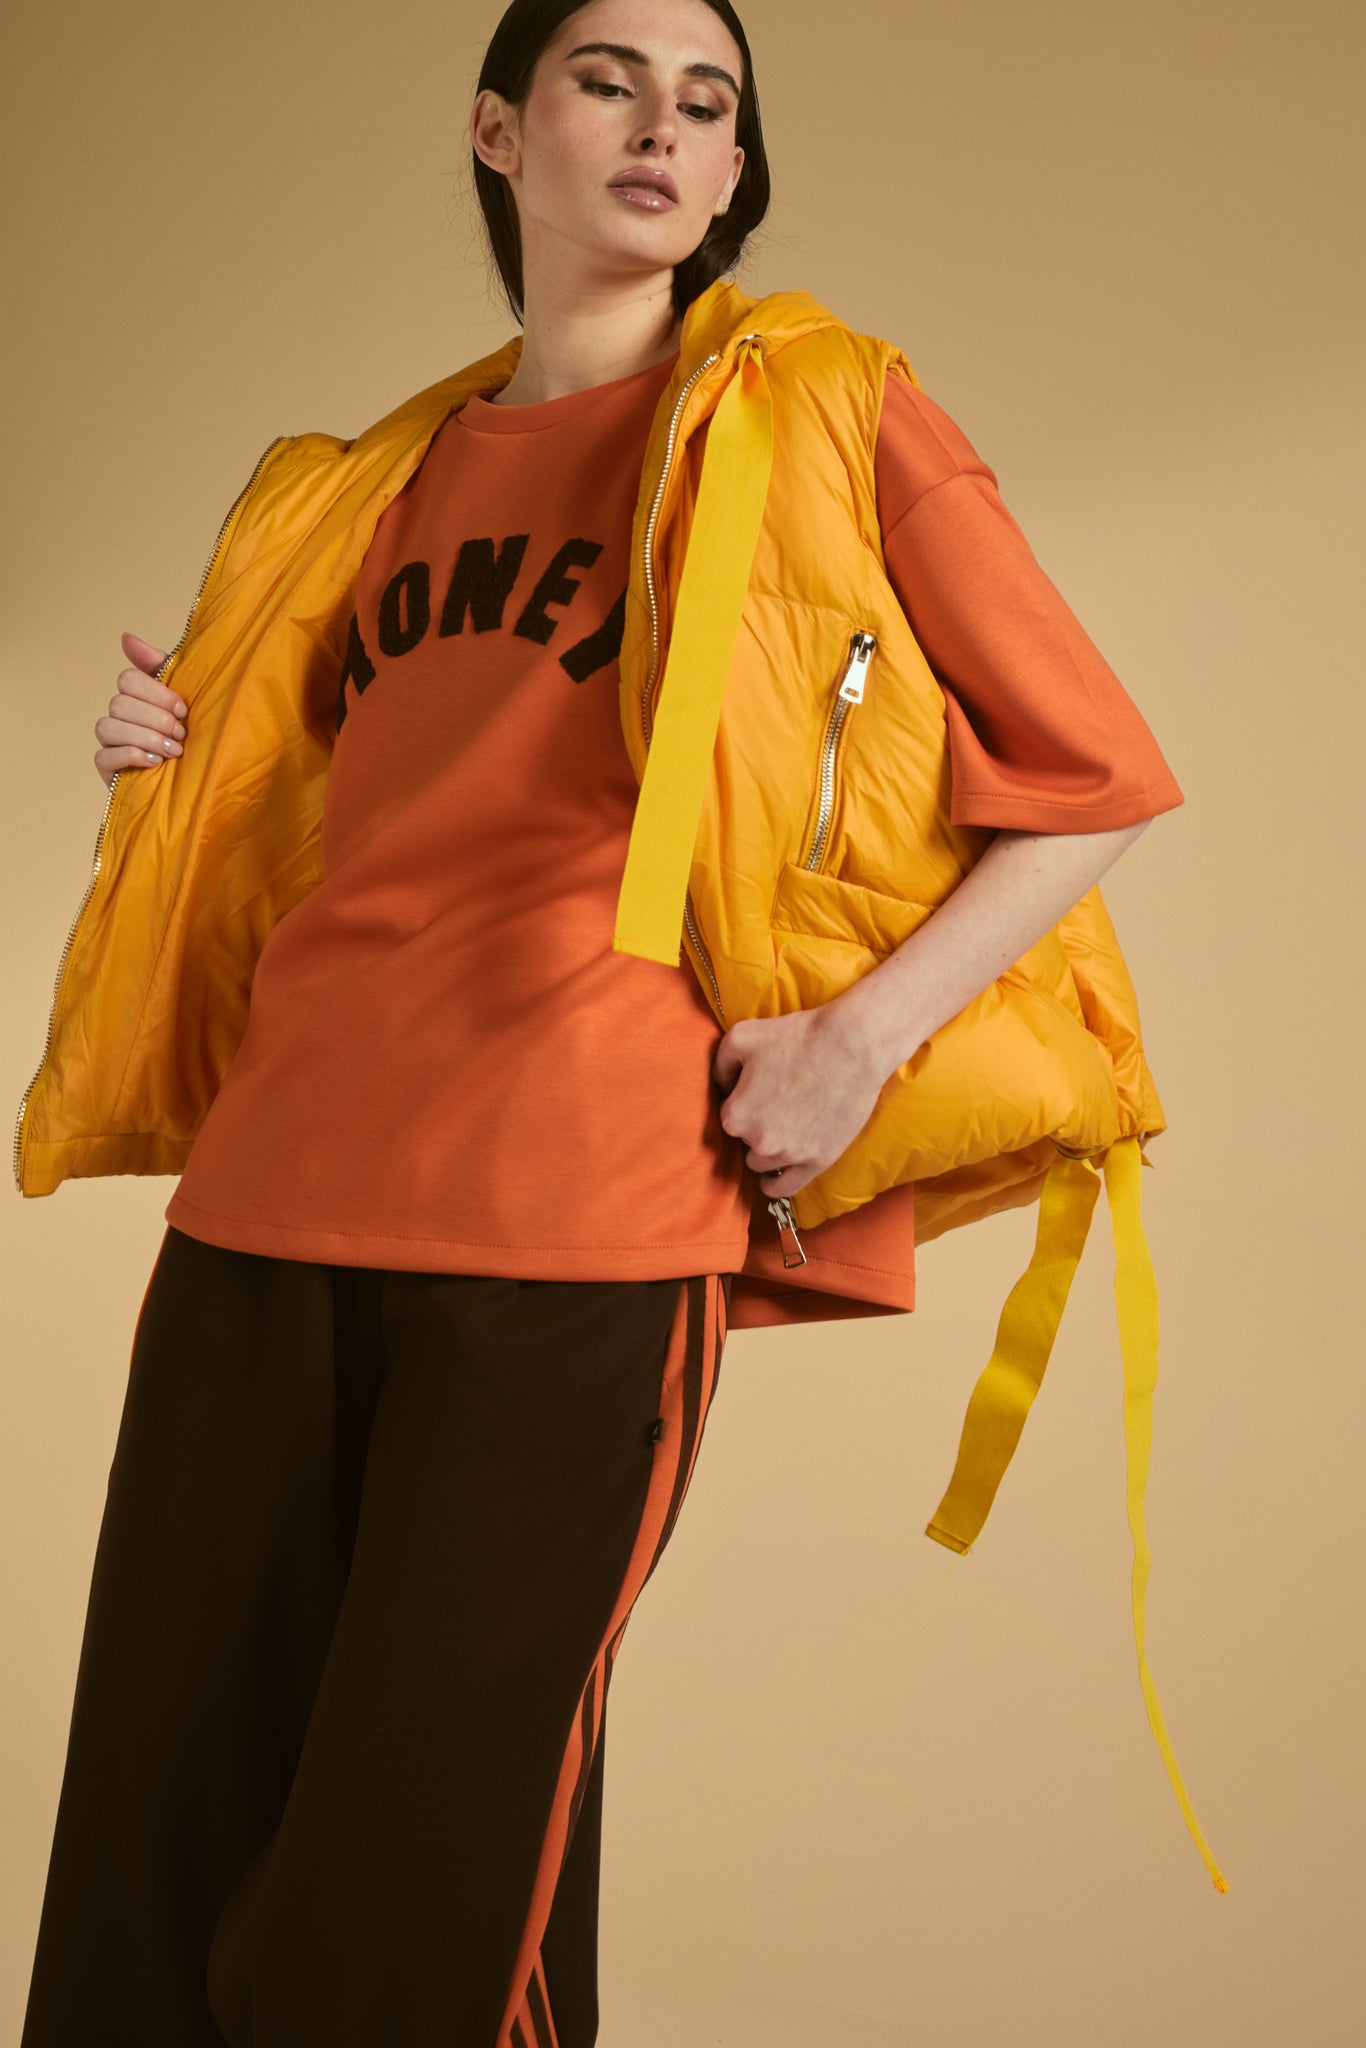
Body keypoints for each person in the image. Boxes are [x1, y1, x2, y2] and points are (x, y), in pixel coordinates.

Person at [16, 1, 1198, 2042]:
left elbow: (1093, 776)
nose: (662, 125)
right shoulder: (367, 479)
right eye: (606, 80)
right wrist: (173, 748)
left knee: (409, 1904)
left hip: (573, 1219)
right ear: (498, 129)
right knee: (154, 1872)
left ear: (732, 173)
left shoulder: (829, 411)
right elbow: (334, 810)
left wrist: (856, 1043)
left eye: (706, 101)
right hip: (267, 1202)